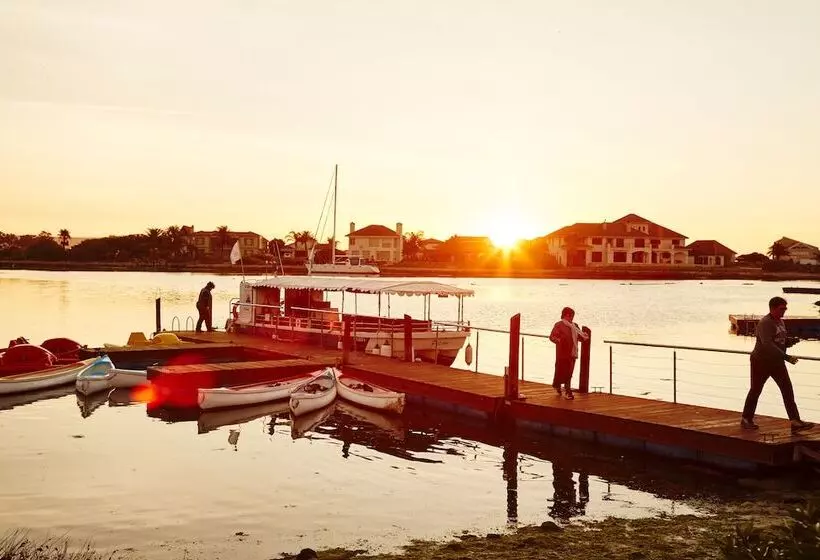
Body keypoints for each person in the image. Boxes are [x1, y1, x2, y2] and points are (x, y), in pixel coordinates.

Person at [741, 296, 814, 433]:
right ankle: (746, 419)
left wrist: (789, 342)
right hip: (761, 362)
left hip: (776, 362)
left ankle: (795, 421)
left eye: (785, 308)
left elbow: (778, 341)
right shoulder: (765, 323)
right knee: (756, 390)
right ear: (773, 308)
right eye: (782, 308)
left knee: (787, 390)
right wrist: (786, 357)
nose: (784, 311)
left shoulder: (780, 321)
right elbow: (767, 344)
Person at [549, 307, 589, 400]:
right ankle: (562, 388)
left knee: (569, 372)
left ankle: (566, 390)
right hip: (562, 353)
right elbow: (552, 337)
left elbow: (580, 337)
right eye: (570, 315)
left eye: (572, 315)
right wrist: (559, 341)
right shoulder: (559, 325)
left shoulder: (575, 325)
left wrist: (585, 336)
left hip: (572, 353)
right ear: (565, 315)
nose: (572, 317)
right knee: (561, 371)